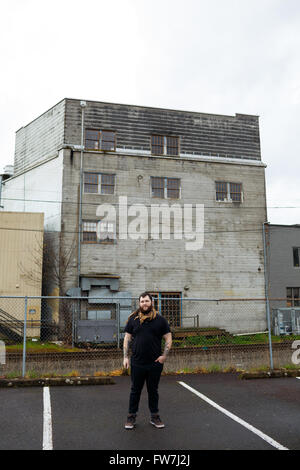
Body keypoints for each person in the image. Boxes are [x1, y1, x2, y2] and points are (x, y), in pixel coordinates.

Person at [123, 292, 172, 430]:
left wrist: (164, 356)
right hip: (137, 362)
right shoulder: (133, 319)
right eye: (142, 301)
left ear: (152, 302)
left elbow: (168, 338)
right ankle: (131, 417)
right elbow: (127, 339)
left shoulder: (160, 320)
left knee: (153, 390)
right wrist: (125, 357)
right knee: (135, 391)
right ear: (139, 303)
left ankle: (154, 416)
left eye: (146, 301)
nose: (144, 304)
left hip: (154, 363)